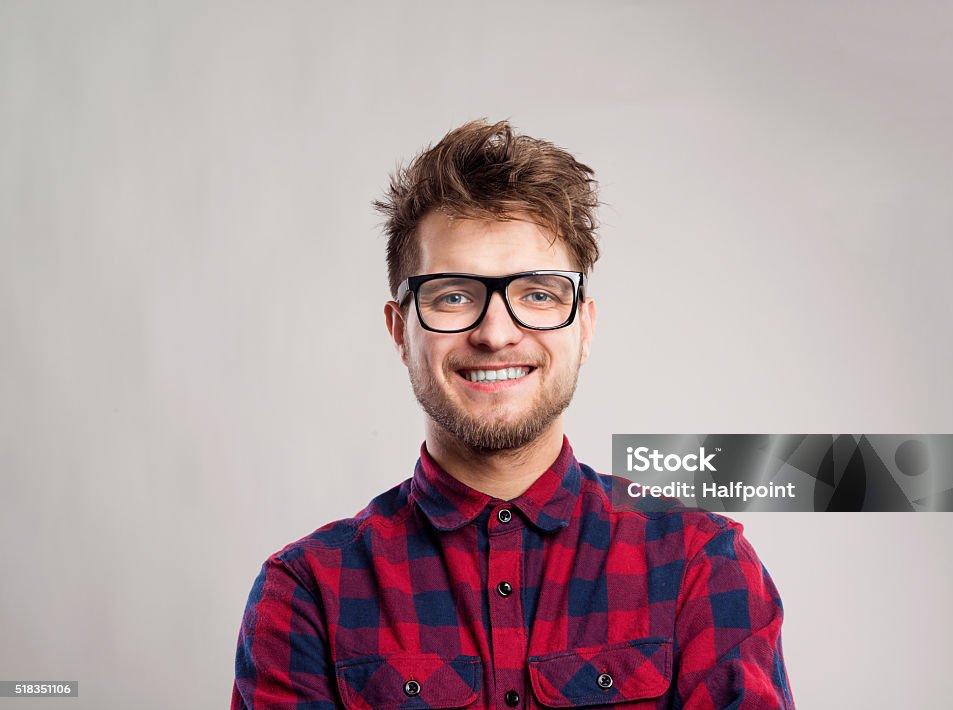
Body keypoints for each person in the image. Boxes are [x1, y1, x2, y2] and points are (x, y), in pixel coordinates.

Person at [231, 120, 795, 709]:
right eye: (452, 295)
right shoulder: (308, 593)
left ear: (584, 327)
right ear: (400, 332)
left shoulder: (699, 564)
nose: (496, 333)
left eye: (538, 294)